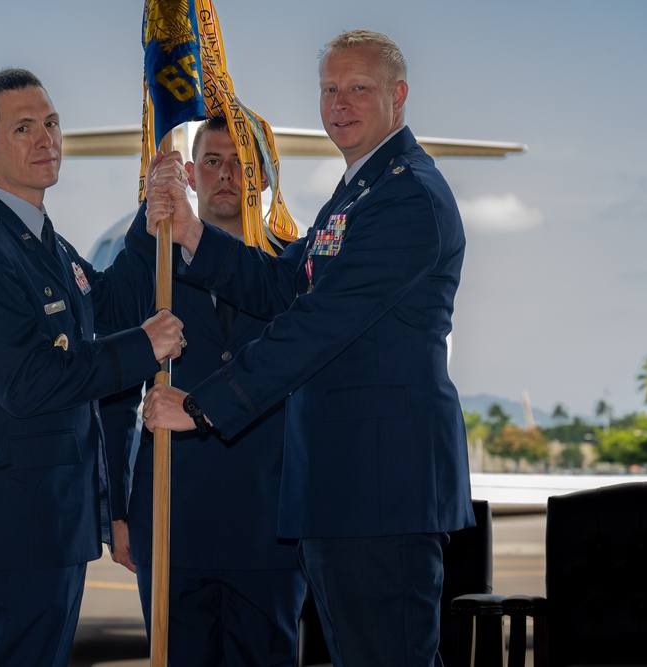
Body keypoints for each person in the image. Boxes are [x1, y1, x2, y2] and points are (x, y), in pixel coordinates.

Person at [141, 30, 475, 666]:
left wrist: (205, 407)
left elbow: (320, 321)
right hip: (342, 486)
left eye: (358, 89)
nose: (340, 103)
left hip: (381, 490)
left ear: (398, 97)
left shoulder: (407, 196)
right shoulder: (359, 191)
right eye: (329, 89)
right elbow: (285, 282)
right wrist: (191, 234)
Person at [0, 67, 185, 667]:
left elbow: (106, 303)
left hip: (53, 524)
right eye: (24, 128)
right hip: (19, 528)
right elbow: (28, 384)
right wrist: (141, 349)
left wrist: (149, 218)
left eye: (50, 123)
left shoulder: (41, 242)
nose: (47, 138)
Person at [102, 117, 307, 666]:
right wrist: (118, 511)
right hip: (173, 519)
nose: (227, 175)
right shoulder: (154, 257)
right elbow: (114, 384)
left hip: (270, 526)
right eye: (213, 161)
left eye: (242, 163)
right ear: (190, 173)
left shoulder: (296, 264)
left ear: (264, 177)